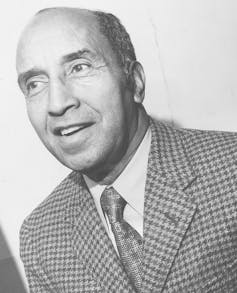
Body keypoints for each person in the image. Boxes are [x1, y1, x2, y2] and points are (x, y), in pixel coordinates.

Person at [16, 7, 237, 293]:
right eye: (35, 83)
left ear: (135, 81)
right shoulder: (41, 235)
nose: (57, 103)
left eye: (79, 67)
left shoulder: (231, 170)